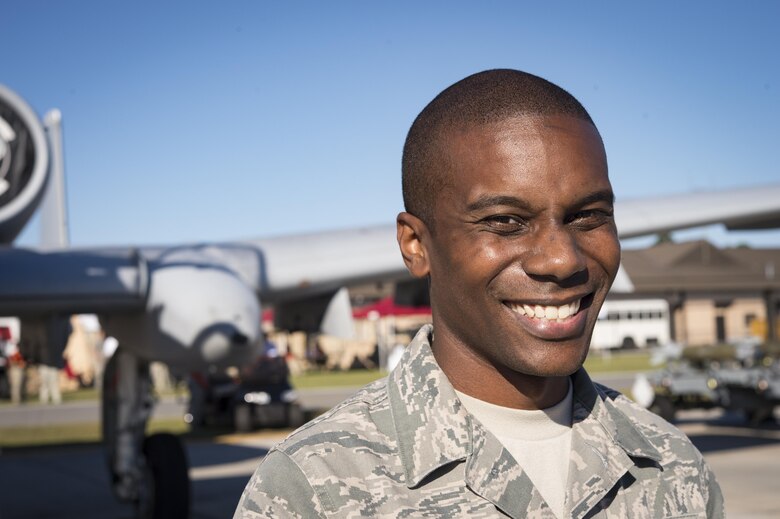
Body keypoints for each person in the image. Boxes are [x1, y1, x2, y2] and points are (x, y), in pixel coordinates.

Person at [234, 70, 723, 518]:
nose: (563, 260)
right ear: (416, 245)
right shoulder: (313, 488)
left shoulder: (673, 467)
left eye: (588, 215)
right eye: (505, 222)